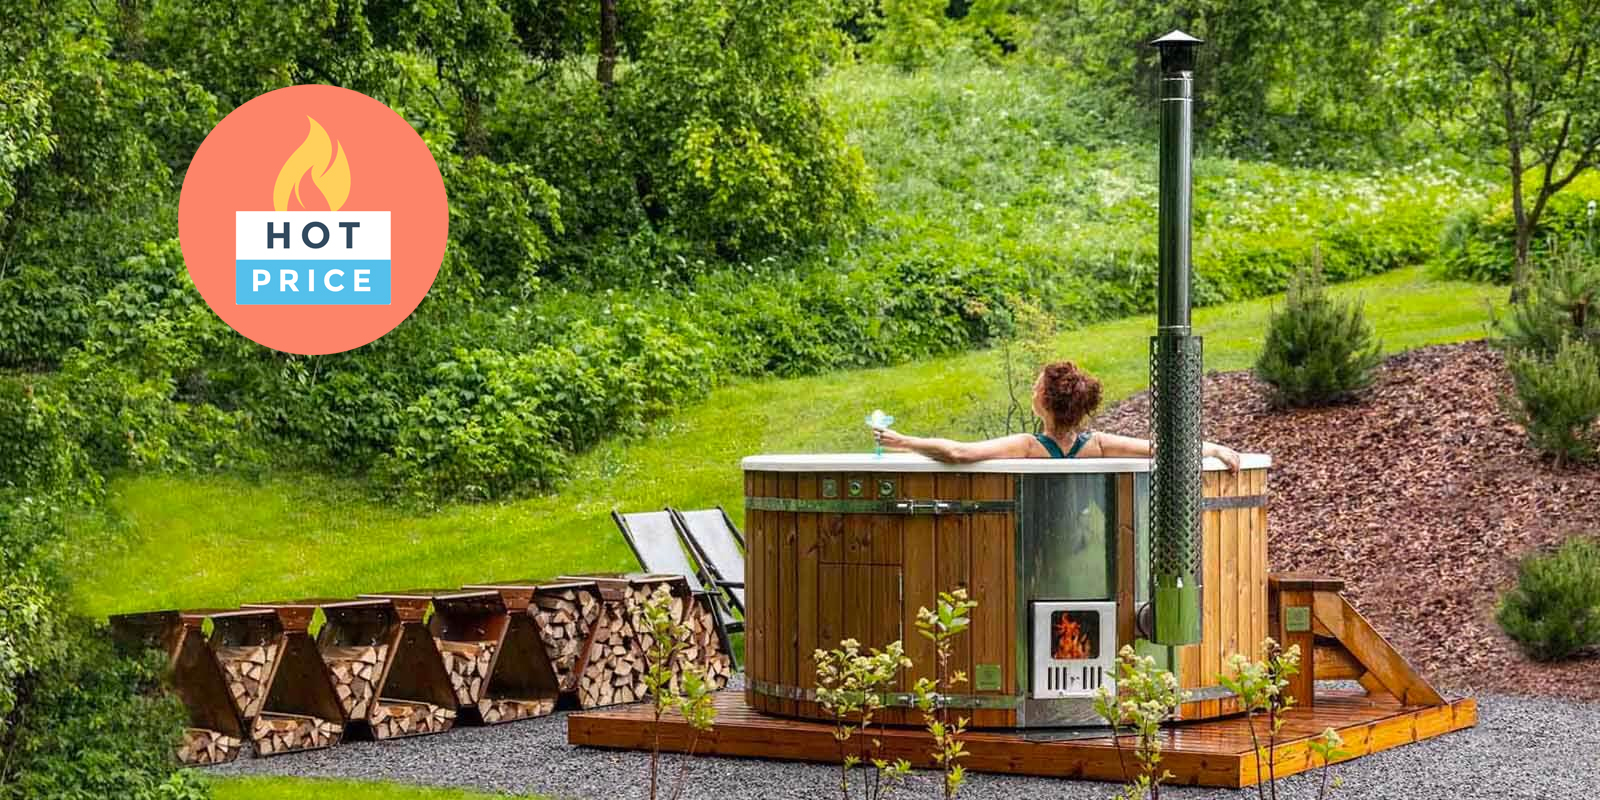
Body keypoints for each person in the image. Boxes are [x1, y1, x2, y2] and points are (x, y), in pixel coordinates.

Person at [871, 360, 1241, 471]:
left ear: (1044, 402)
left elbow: (959, 453)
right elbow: (1162, 449)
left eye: (1035, 388)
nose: (1032, 391)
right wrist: (1212, 448)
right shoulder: (1096, 444)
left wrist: (903, 439)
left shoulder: (1029, 446)